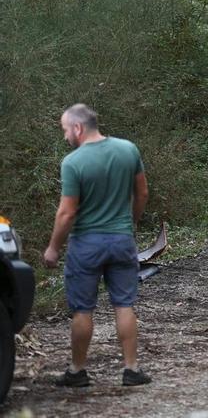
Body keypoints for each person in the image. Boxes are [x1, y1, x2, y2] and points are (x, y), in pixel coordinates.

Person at [43, 104, 152, 387]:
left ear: (78, 128)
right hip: (121, 239)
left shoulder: (74, 162)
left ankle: (78, 371)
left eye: (66, 129)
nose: (66, 135)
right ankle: (131, 369)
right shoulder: (128, 150)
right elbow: (142, 192)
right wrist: (132, 223)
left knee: (83, 309)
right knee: (124, 304)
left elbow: (67, 212)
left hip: (86, 244)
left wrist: (54, 247)